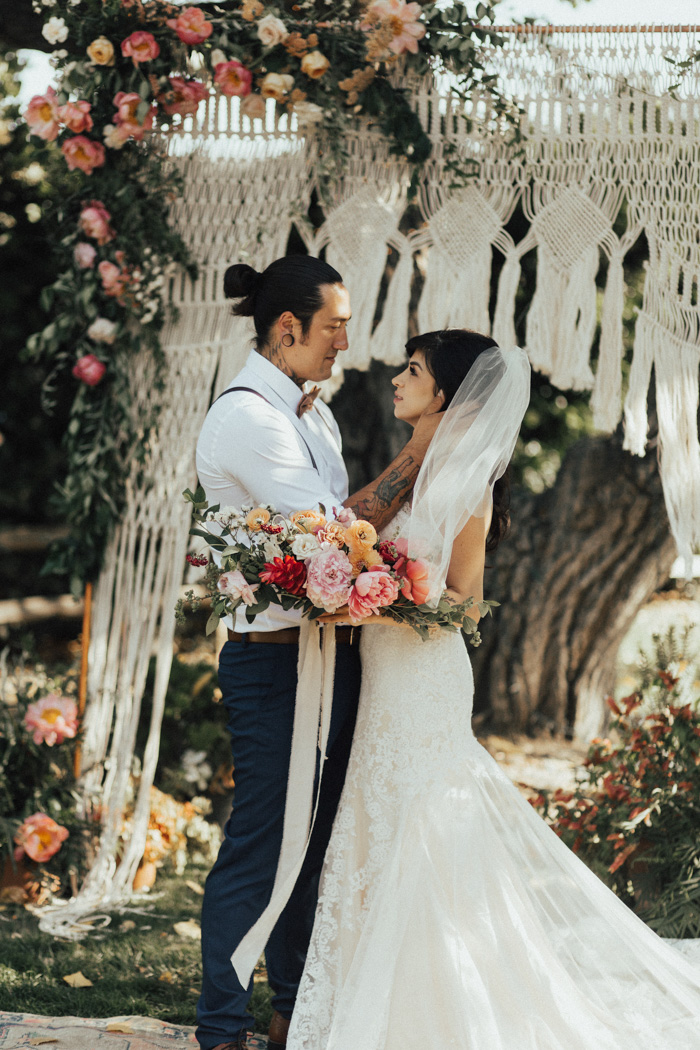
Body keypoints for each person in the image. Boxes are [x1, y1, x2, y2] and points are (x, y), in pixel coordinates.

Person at [286, 329, 700, 1050]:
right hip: (385, 669)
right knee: (375, 823)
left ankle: (428, 1008)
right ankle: (368, 993)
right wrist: (354, 575)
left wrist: (376, 593)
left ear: (445, 394)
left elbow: (463, 605)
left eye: (412, 371)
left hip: (422, 674)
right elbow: (349, 524)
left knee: (419, 823)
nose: (397, 379)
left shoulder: (466, 483)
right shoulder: (418, 464)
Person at [194, 255, 442, 1050]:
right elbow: (336, 537)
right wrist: (425, 446)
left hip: (324, 658)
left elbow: (342, 526)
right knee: (263, 846)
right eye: (333, 325)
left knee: (316, 846)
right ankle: (219, 1028)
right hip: (272, 666)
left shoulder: (313, 413)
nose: (345, 340)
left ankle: (291, 1015)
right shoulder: (249, 418)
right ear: (288, 328)